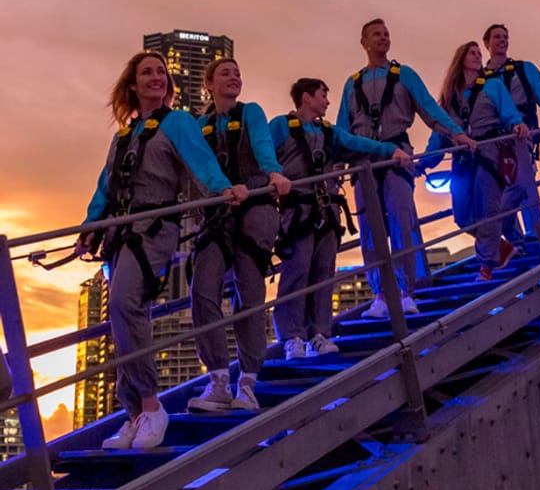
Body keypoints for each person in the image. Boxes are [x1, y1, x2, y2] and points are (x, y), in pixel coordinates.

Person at [76, 51, 243, 450]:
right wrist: (89, 227)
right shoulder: (124, 135)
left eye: (161, 72)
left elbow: (200, 162)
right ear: (132, 85)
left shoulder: (179, 122)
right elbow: (106, 186)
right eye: (147, 73)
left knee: (123, 304)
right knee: (125, 319)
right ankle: (134, 414)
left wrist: (222, 189)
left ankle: (152, 406)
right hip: (119, 232)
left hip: (153, 228)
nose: (156, 77)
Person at [336, 18, 475, 318]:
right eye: (377, 34)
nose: (384, 38)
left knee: (402, 221)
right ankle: (379, 295)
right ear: (364, 42)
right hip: (363, 162)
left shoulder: (404, 75)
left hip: (398, 155)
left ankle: (405, 291)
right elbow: (342, 130)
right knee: (370, 232)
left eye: (387, 33)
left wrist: (456, 134)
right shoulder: (353, 83)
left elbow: (429, 109)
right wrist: (335, 170)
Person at [270, 78, 411, 360]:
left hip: (327, 210)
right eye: (323, 94)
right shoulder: (280, 126)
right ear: (306, 97)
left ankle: (320, 333)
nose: (327, 101)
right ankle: (292, 336)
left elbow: (356, 143)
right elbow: (264, 157)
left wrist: (389, 150)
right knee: (296, 272)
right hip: (297, 211)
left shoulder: (328, 132)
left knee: (323, 272)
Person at [188, 58, 291, 412]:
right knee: (203, 289)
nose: (234, 77)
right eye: (225, 73)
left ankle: (247, 382)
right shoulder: (198, 126)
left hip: (255, 208)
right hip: (218, 216)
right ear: (209, 84)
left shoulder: (251, 113)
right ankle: (218, 378)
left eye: (237, 73)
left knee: (248, 293)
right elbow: (192, 166)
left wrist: (273, 173)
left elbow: (262, 145)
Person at [421, 41, 529, 280]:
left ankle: (486, 266)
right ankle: (503, 248)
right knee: (462, 216)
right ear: (461, 59)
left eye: (479, 53)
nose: (478, 56)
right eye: (472, 53)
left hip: (489, 153)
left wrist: (516, 124)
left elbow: (508, 111)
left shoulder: (492, 86)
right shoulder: (450, 97)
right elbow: (439, 133)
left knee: (488, 210)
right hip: (462, 159)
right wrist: (425, 162)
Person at [482, 23, 540, 249]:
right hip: (493, 141)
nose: (502, 40)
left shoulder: (523, 69)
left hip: (522, 137)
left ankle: (497, 228)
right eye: (497, 37)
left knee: (522, 183)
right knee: (498, 189)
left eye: (505, 37)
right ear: (487, 44)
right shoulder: (480, 79)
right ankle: (515, 241)